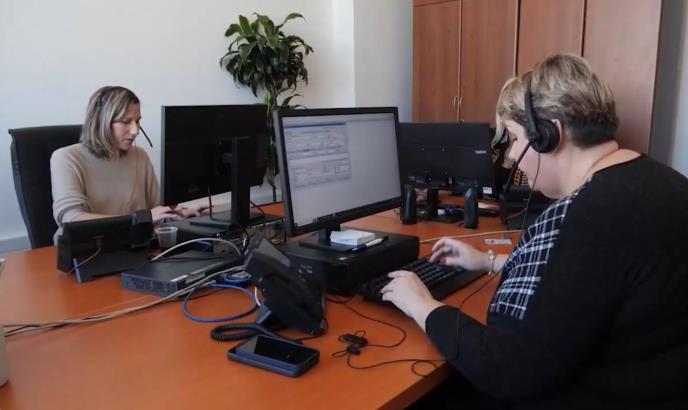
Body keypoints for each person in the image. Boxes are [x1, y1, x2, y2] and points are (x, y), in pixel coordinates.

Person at [381, 54, 688, 409]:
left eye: (513, 138)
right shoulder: (663, 182)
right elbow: (592, 280)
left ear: (548, 135)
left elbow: (506, 367)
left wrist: (422, 306)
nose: (511, 156)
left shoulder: (590, 217)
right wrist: (488, 261)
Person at [51, 86, 206, 241]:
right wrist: (137, 219)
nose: (135, 130)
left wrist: (176, 215)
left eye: (137, 121)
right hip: (88, 249)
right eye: (126, 122)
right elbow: (72, 219)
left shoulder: (140, 156)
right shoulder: (66, 158)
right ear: (100, 121)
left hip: (134, 245)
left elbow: (155, 212)